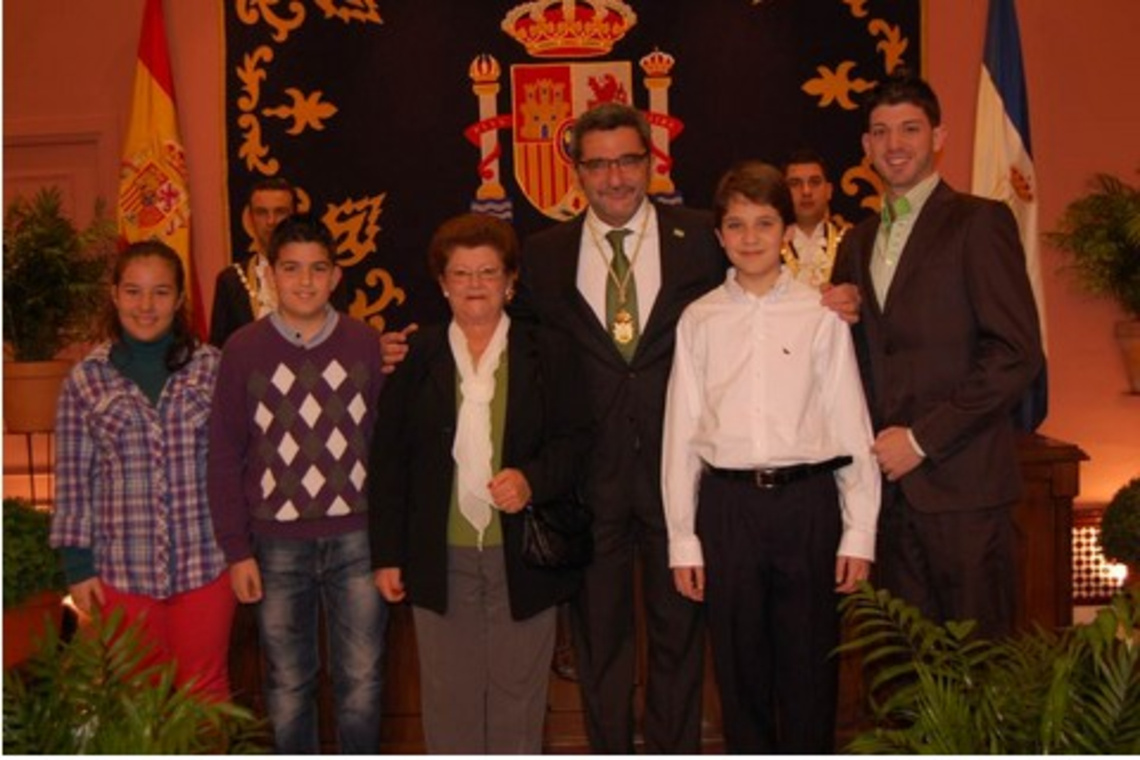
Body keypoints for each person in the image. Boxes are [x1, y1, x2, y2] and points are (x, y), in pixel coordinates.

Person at [512, 102, 726, 753]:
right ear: (575, 171)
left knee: (679, 639)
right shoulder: (542, 256)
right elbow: (514, 351)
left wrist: (834, 298)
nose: (614, 178)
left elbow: (757, 303)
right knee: (600, 646)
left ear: (651, 162)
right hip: (589, 488)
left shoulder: (703, 240)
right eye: (598, 164)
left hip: (680, 481)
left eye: (627, 161)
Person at [662, 161, 880, 753]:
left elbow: (850, 424)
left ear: (787, 230)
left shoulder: (820, 315)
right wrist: (684, 538)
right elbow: (681, 435)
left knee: (810, 668)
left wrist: (859, 531)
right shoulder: (699, 319)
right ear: (719, 236)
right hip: (728, 509)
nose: (751, 237)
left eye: (764, 222)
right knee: (740, 672)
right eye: (737, 225)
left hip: (808, 505)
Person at [368, 213, 593, 753]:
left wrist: (532, 480)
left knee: (519, 699)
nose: (475, 285)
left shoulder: (548, 352)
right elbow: (389, 460)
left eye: (488, 272)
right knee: (449, 701)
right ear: (442, 283)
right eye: (461, 273)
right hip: (438, 556)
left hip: (521, 554)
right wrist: (388, 555)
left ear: (510, 282)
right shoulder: (415, 355)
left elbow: (576, 442)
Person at [832, 71, 1044, 639]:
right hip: (885, 498)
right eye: (881, 131)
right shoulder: (856, 241)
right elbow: (853, 361)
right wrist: (831, 315)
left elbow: (1016, 353)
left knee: (978, 672)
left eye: (909, 129)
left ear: (939, 137)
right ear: (865, 146)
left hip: (964, 492)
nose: (894, 144)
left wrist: (922, 439)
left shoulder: (980, 221)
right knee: (901, 677)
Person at [207, 214, 388, 753]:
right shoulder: (242, 350)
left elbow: (387, 448)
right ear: (268, 273)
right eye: (290, 269)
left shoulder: (365, 344)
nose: (305, 281)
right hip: (275, 544)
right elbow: (224, 453)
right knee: (287, 686)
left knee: (362, 682)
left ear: (336, 277)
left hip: (358, 540)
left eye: (317, 269)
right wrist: (236, 550)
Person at [51, 241, 235, 700]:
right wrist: (79, 567)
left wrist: (241, 549)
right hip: (121, 572)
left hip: (206, 566)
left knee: (206, 693)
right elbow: (73, 483)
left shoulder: (213, 369)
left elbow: (235, 467)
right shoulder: (85, 380)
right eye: (133, 292)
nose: (146, 306)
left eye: (159, 293)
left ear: (178, 299)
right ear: (114, 295)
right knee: (135, 697)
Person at [209, 177, 297, 347]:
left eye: (280, 212)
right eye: (262, 212)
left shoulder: (320, 275)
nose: (271, 221)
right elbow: (219, 352)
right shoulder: (231, 280)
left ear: (293, 216)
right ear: (250, 218)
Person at [783, 148, 850, 289]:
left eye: (815, 182)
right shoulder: (769, 244)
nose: (806, 191)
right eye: (795, 184)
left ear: (829, 190)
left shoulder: (852, 240)